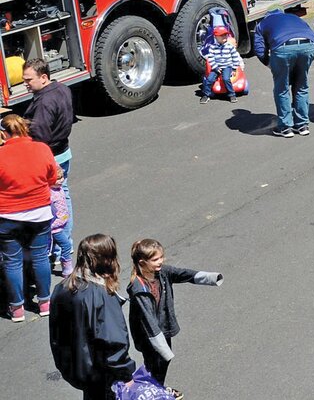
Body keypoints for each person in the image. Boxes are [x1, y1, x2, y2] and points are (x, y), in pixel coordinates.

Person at [126, 238, 223, 388]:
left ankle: (156, 388)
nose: (160, 261)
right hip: (150, 337)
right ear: (142, 262)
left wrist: (210, 278)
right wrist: (162, 347)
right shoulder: (139, 289)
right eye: (155, 259)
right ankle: (151, 390)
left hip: (163, 328)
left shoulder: (162, 273)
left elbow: (184, 274)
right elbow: (149, 321)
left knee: (162, 363)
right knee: (155, 365)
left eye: (161, 257)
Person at [50, 233, 135, 400]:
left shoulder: (62, 288)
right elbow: (112, 340)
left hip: (78, 368)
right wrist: (126, 373)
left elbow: (57, 332)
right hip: (102, 373)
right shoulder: (101, 294)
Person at [1, 111, 61, 321]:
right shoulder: (42, 149)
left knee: (11, 262)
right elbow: (52, 177)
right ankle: (45, 303)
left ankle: (16, 308)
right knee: (40, 257)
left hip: (8, 217)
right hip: (39, 214)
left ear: (5, 134)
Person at [22, 59, 75, 274]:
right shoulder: (62, 89)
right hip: (63, 152)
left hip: (50, 158)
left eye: (29, 80)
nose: (25, 84)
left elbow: (41, 135)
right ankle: (66, 245)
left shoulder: (44, 102)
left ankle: (59, 248)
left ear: (43, 77)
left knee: (50, 204)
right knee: (64, 197)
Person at [252, 6, 314, 138]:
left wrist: (269, 63)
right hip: (308, 45)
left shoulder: (262, 24)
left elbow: (259, 48)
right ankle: (302, 125)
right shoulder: (294, 17)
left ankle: (285, 127)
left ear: (267, 15)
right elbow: (309, 32)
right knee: (301, 85)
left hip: (283, 47)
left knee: (282, 88)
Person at [198, 25, 242, 104]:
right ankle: (206, 95)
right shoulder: (212, 47)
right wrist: (215, 67)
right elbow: (211, 58)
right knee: (209, 79)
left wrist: (234, 68)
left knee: (226, 79)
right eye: (221, 35)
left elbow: (235, 57)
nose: (224, 36)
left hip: (227, 66)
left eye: (225, 34)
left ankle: (231, 94)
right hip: (216, 66)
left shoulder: (229, 47)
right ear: (216, 37)